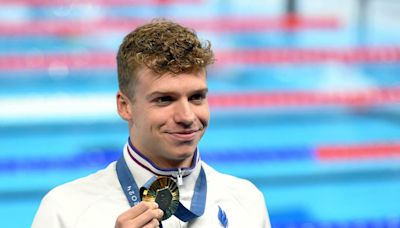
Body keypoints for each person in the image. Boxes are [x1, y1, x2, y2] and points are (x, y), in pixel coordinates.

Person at [32, 19, 271, 228]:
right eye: (164, 100)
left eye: (196, 97)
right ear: (125, 106)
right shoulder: (65, 210)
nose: (187, 116)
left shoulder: (246, 200)